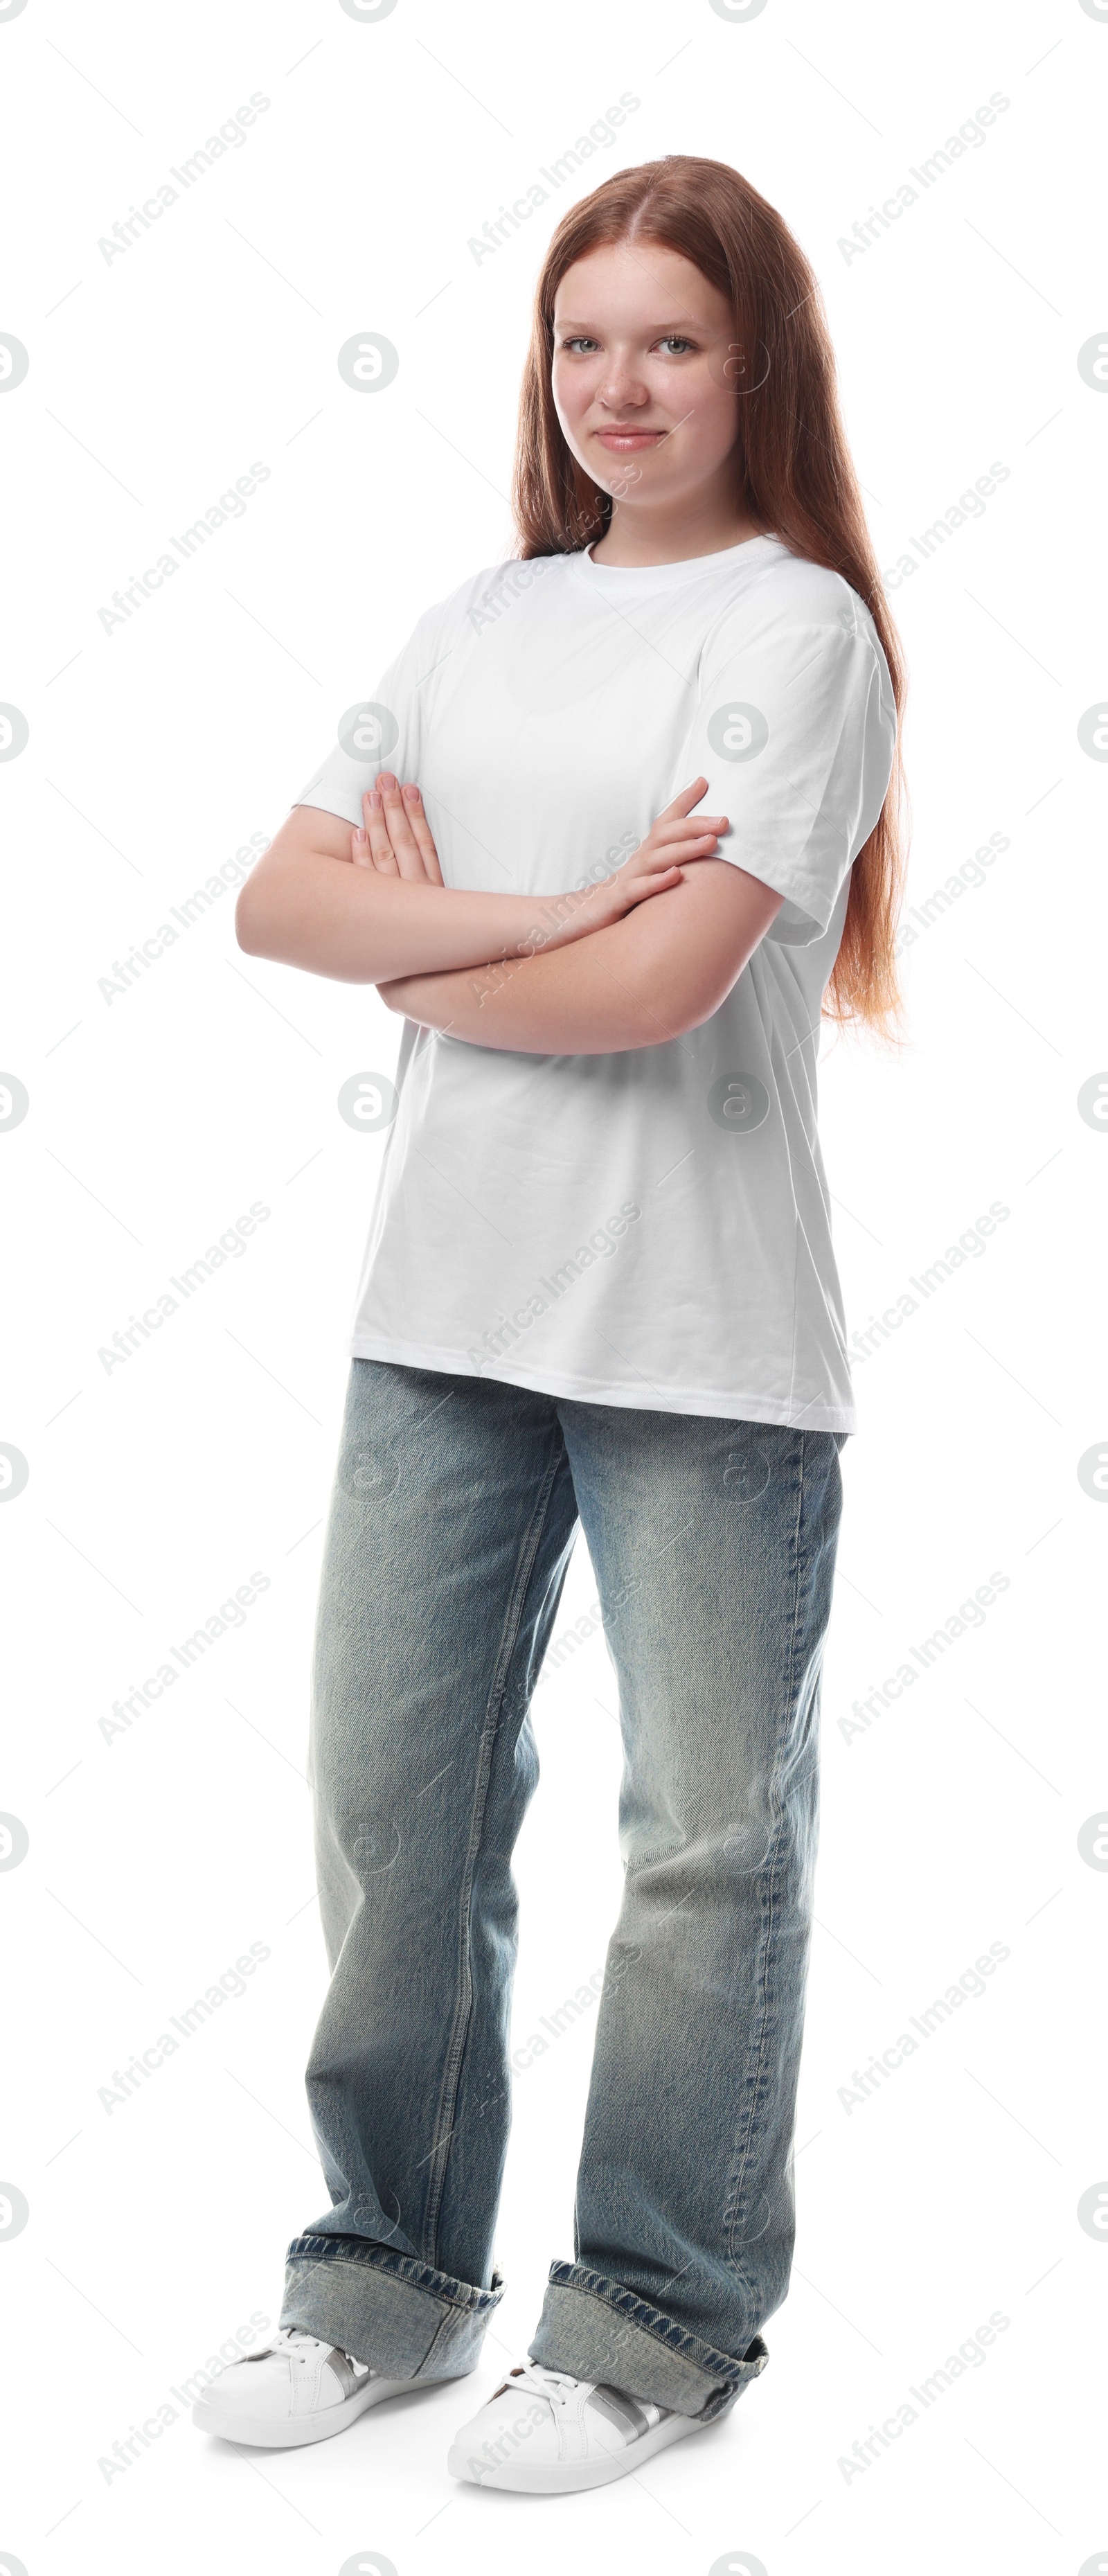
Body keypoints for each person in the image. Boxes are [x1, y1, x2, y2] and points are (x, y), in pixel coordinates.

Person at [191, 152, 904, 2496]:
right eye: (586, 340)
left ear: (755, 366)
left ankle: (652, 2323)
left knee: (704, 1840)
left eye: (673, 341)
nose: (621, 385)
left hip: (699, 1337)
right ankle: (385, 2281)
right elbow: (272, 903)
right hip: (445, 1313)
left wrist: (432, 947)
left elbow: (661, 984)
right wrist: (547, 909)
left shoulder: (795, 633)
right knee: (396, 1809)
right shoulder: (479, 620)